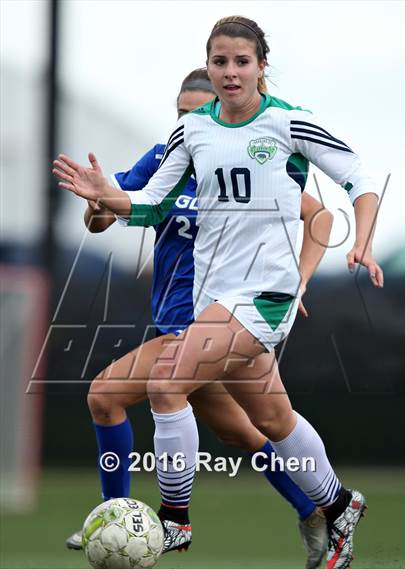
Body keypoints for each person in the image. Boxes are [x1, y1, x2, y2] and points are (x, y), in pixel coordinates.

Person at [53, 16, 384, 569]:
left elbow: (359, 182)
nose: (231, 72)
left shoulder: (288, 122)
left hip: (264, 297)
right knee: (273, 424)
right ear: (209, 64)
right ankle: (338, 504)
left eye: (242, 61)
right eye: (221, 61)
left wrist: (364, 243)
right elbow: (153, 204)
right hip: (214, 300)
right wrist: (107, 195)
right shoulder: (192, 132)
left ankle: (174, 519)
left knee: (166, 382)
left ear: (261, 67)